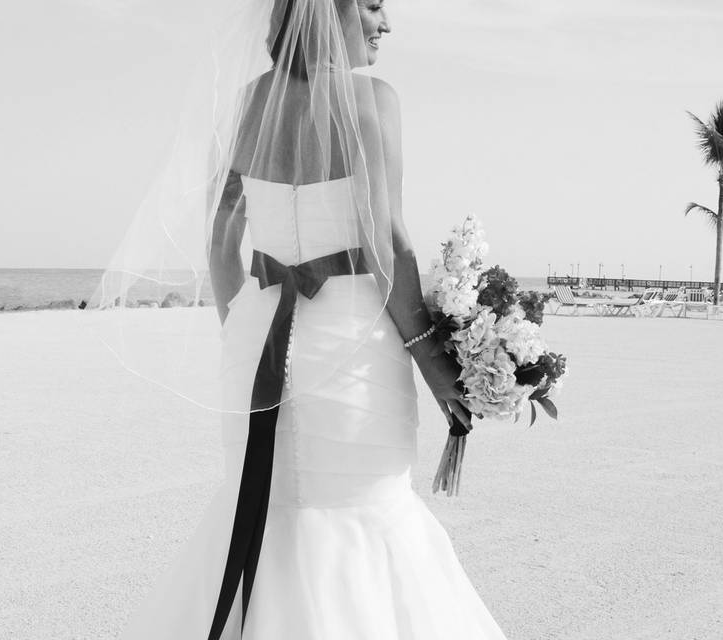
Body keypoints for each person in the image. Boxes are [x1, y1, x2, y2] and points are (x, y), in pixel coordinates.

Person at [96, 1, 510, 637]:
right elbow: (387, 245)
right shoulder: (372, 100)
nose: (385, 23)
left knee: (268, 514)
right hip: (350, 344)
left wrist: (244, 331)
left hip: (257, 345)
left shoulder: (244, 106)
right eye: (373, 6)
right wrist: (434, 361)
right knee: (362, 515)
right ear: (333, 6)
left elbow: (220, 243)